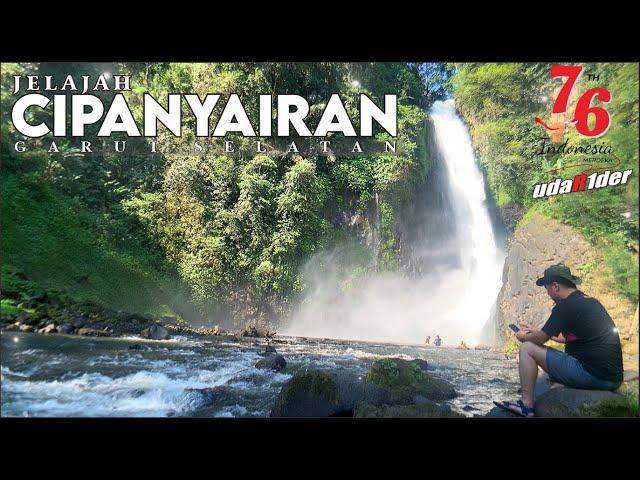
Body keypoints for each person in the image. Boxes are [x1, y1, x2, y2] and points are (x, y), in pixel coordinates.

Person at [494, 263, 624, 417]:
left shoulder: (565, 306)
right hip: (612, 379)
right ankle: (564, 383)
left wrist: (524, 337)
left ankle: (526, 405)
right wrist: (536, 331)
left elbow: (540, 339)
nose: (547, 293)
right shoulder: (588, 301)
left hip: (593, 375)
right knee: (544, 361)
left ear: (555, 286)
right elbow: (564, 338)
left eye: (547, 288)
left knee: (527, 348)